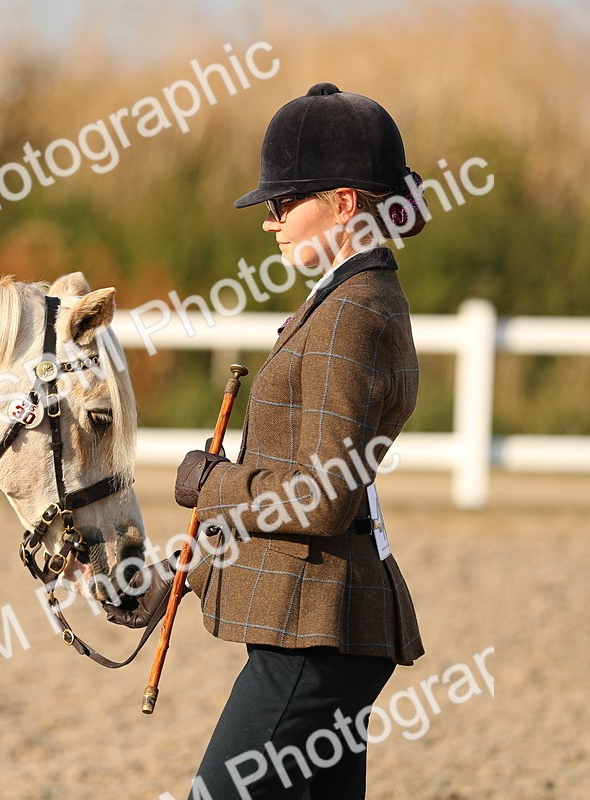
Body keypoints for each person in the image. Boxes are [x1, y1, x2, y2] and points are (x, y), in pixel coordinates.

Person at [107, 83, 426, 799]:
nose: (271, 222)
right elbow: (294, 483)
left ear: (345, 203)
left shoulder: (352, 314)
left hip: (313, 636)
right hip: (319, 624)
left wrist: (207, 481)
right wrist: (189, 569)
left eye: (286, 203)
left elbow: (323, 500)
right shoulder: (345, 300)